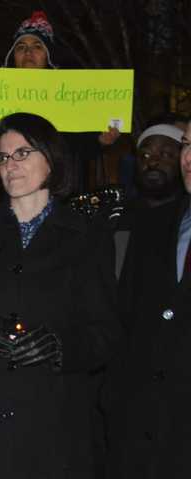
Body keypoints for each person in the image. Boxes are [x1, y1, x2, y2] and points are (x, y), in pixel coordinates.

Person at [0, 113, 122, 478]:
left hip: (56, 429)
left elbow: (105, 333)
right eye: (3, 157)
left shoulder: (87, 236)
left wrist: (60, 347)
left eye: (22, 153)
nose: (10, 165)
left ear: (52, 159)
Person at [104, 121, 191, 478]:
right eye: (188, 143)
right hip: (144, 434)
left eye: (173, 149)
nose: (189, 157)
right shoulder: (155, 224)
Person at [0, 11, 119, 194]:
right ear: (13, 56)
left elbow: (80, 151)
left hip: (58, 191)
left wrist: (101, 142)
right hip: (12, 189)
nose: (28, 52)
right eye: (21, 47)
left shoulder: (69, 96)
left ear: (48, 56)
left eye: (37, 46)